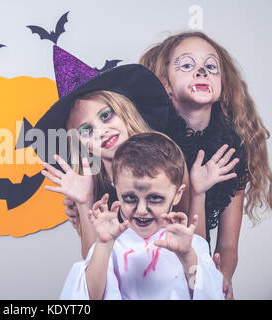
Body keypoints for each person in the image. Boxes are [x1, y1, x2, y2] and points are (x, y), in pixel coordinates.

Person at [37, 45, 237, 260]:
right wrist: (83, 202)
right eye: (87, 130)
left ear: (125, 111)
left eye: (106, 116)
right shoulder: (87, 182)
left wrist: (197, 192)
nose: (102, 131)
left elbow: (193, 244)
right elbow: (91, 268)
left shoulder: (166, 157)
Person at [139, 31, 272, 299]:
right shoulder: (148, 142)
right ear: (165, 83)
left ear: (223, 82)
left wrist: (223, 276)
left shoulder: (231, 150)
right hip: (145, 272)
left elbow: (227, 245)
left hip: (194, 270)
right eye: (187, 65)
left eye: (210, 67)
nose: (201, 72)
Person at [60, 132, 224, 300]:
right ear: (116, 188)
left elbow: (208, 294)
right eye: (130, 198)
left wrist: (187, 256)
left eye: (155, 198)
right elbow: (88, 298)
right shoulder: (110, 242)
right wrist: (103, 245)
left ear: (177, 194)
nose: (141, 210)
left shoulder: (191, 244)